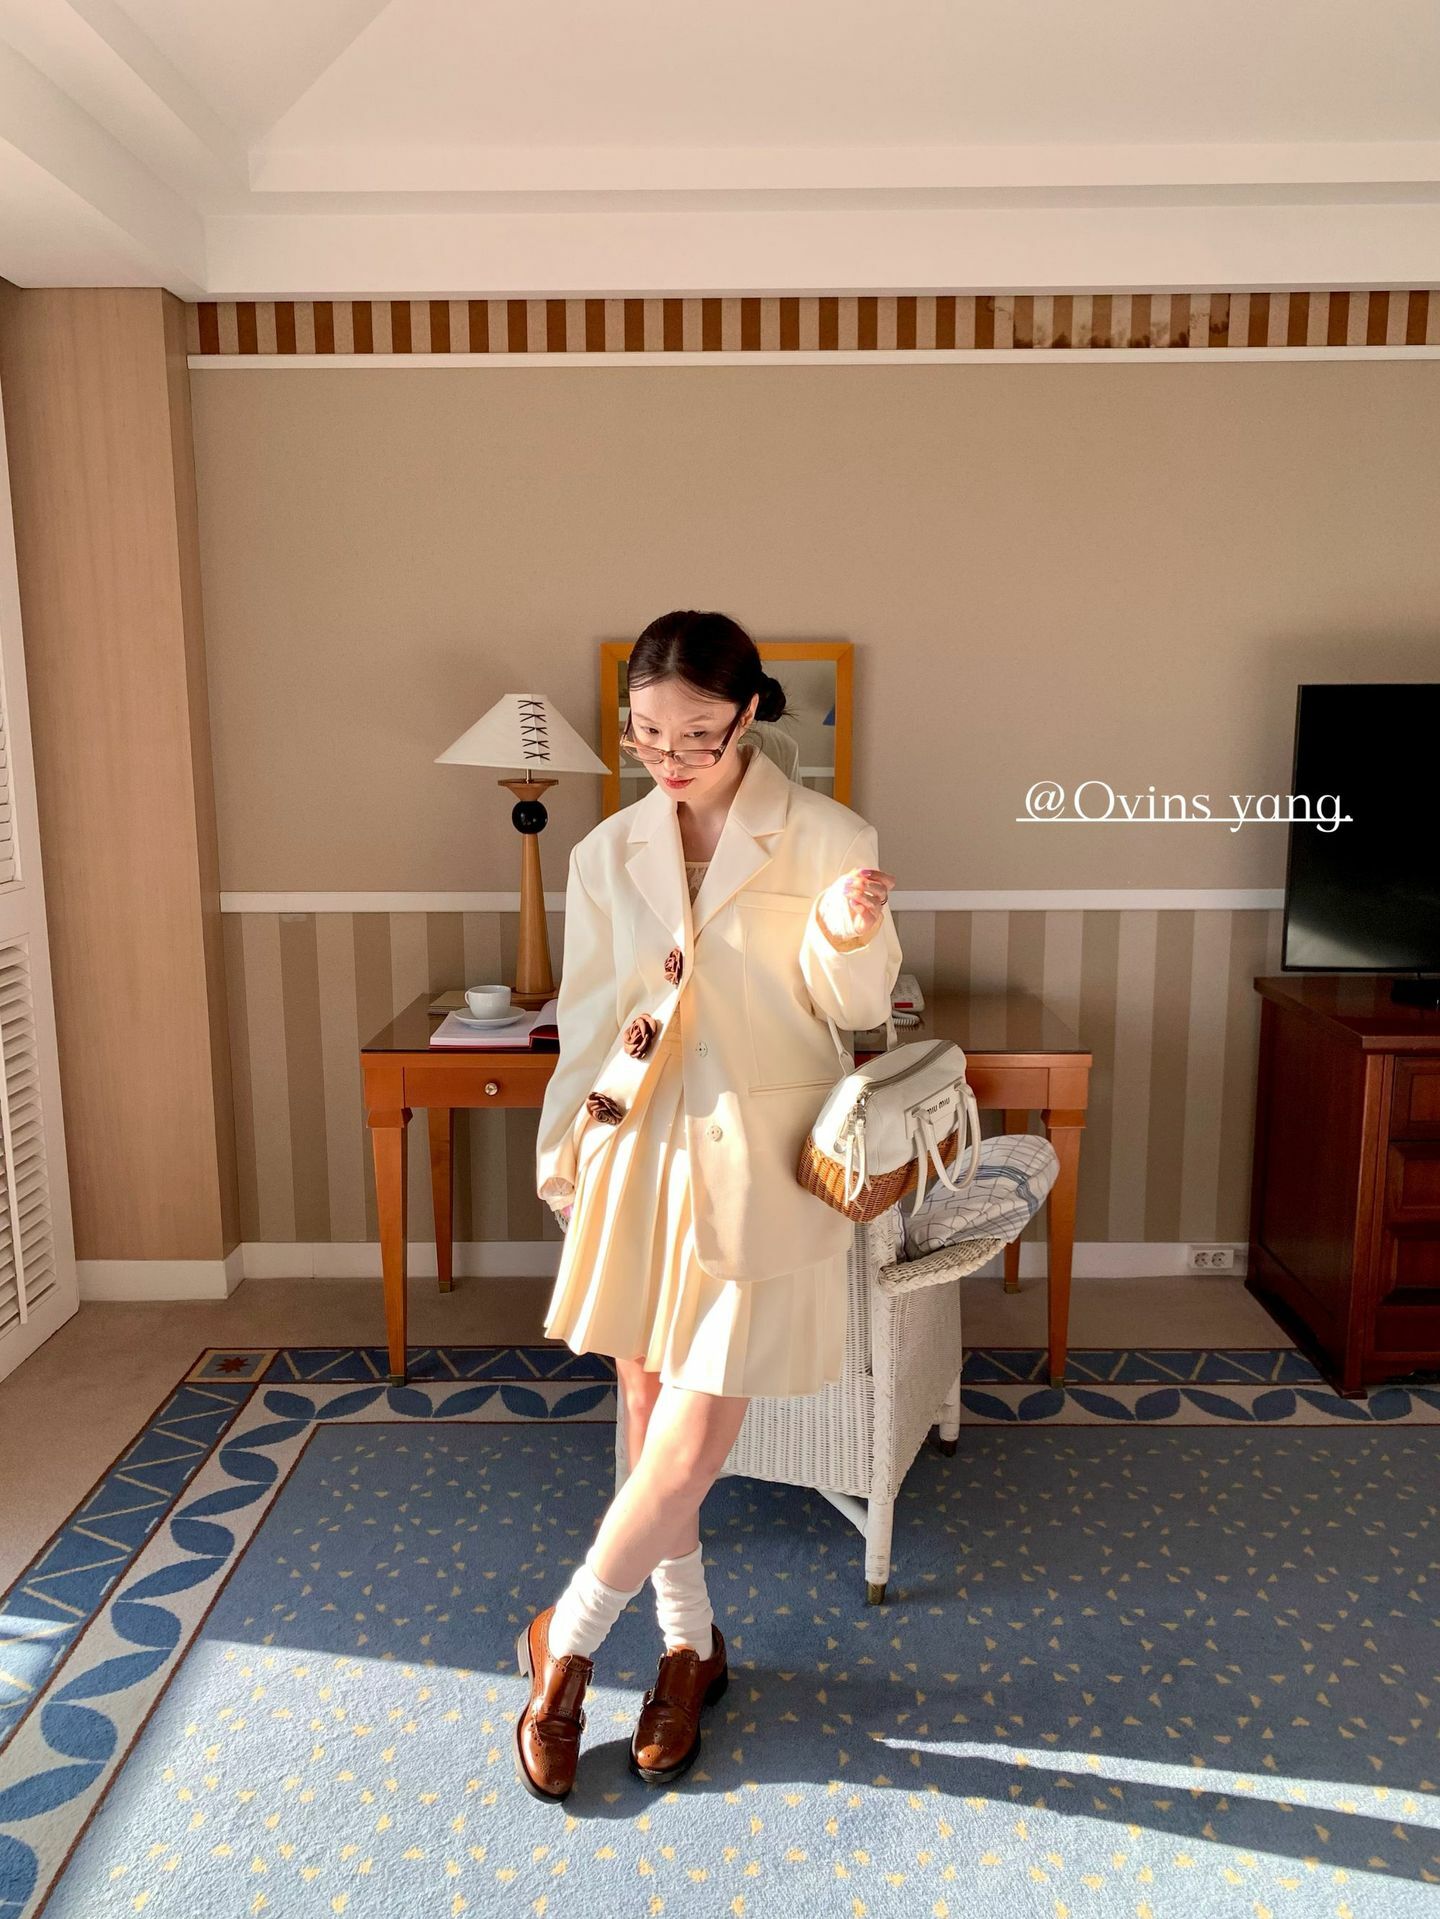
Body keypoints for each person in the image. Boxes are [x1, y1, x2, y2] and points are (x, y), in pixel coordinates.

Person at [517, 609, 902, 1802]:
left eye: (696, 732)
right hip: (636, 1158)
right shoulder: (606, 852)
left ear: (748, 714)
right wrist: (568, 1155)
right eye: (646, 733)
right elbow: (591, 1019)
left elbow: (856, 1007)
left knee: (690, 1440)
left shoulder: (829, 834)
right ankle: (690, 1649)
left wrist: (849, 931)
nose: (670, 755)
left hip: (760, 1168)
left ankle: (565, 1637)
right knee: (648, 1422)